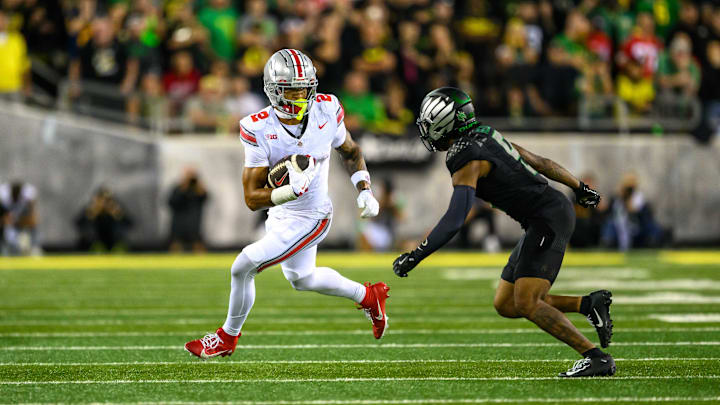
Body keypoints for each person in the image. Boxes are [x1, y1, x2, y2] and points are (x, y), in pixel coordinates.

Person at [392, 87, 615, 378]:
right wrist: (578, 186)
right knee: (507, 303)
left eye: (430, 123)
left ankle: (595, 357)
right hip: (543, 217)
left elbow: (456, 217)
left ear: (446, 122)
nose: (428, 131)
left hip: (547, 219)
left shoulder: (466, 157)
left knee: (527, 301)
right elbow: (539, 162)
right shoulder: (486, 133)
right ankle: (588, 304)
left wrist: (416, 254)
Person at [185, 49, 389, 359]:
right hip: (282, 213)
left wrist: (364, 188)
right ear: (274, 91)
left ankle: (226, 337)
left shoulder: (327, 109)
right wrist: (286, 193)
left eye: (306, 89)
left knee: (243, 266)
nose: (303, 98)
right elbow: (252, 198)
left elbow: (350, 150)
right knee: (302, 279)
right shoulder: (257, 128)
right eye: (293, 90)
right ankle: (369, 296)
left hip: (314, 216)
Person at [74, 186, 133, 252]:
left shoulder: (116, 210)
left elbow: (130, 224)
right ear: (97, 199)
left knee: (123, 244)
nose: (104, 203)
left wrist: (118, 214)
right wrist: (91, 214)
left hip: (114, 241)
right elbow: (78, 225)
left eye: (107, 200)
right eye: (101, 199)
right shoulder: (91, 209)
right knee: (84, 242)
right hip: (94, 242)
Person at [168, 167, 208, 253]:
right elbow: (171, 202)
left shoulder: (198, 189)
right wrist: (183, 187)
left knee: (197, 244)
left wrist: (199, 186)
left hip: (194, 223)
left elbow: (205, 198)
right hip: (179, 222)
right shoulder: (178, 188)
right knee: (176, 244)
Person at [0, 181, 41, 256]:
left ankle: (34, 247)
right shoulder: (3, 195)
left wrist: (20, 221)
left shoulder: (28, 197)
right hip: (8, 221)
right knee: (10, 237)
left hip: (21, 219)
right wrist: (7, 221)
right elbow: (4, 216)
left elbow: (32, 216)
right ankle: (6, 249)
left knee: (34, 226)